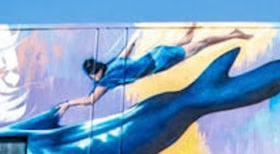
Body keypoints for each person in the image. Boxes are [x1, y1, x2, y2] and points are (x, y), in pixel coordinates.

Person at [57, 25, 252, 115]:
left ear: (93, 73)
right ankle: (188, 34)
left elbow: (91, 100)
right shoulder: (112, 66)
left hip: (159, 62)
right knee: (185, 46)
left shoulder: (106, 80)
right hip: (156, 54)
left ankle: (232, 35)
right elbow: (127, 51)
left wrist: (68, 103)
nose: (95, 77)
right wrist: (134, 39)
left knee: (202, 44)